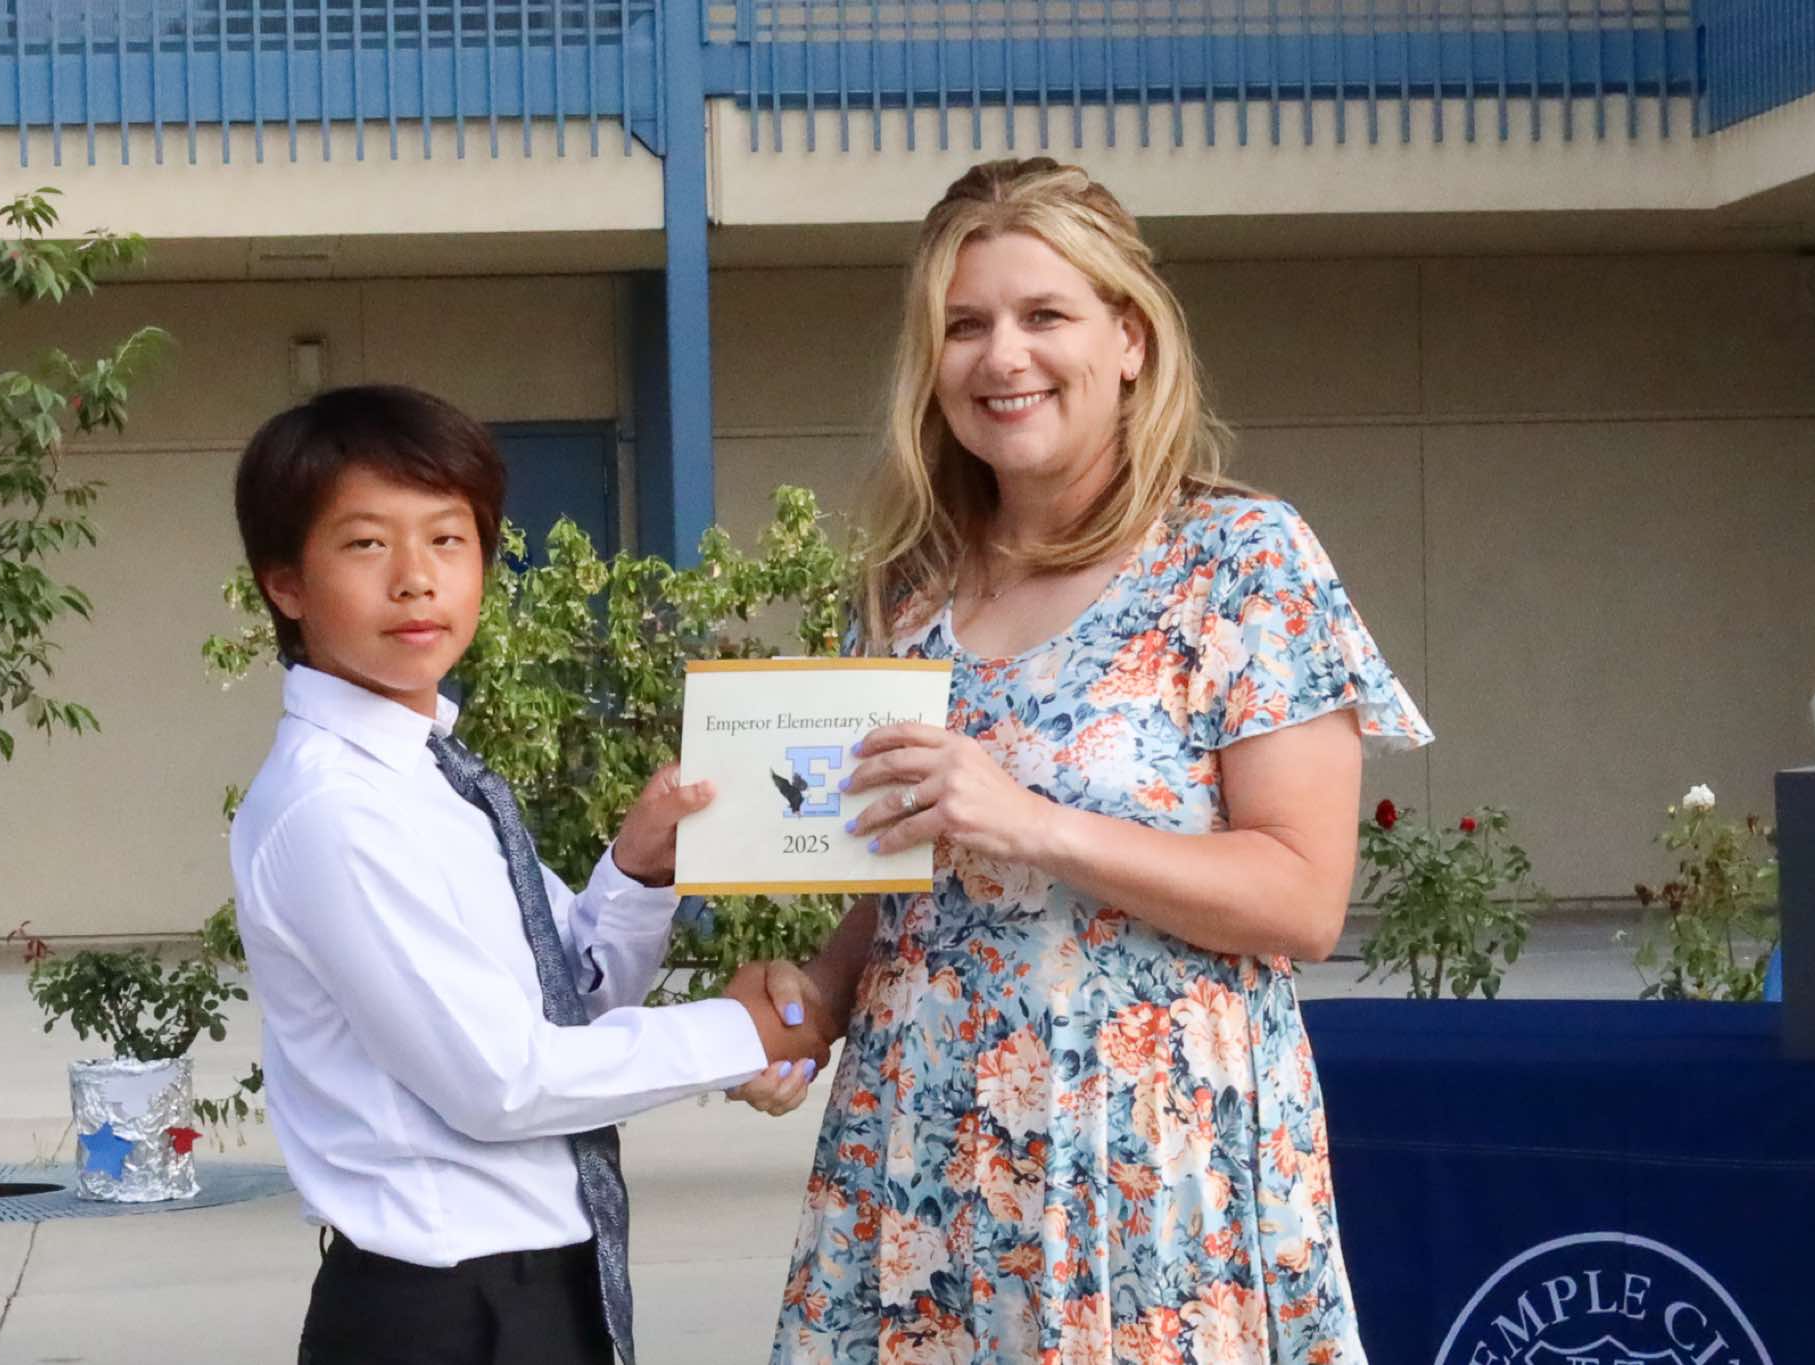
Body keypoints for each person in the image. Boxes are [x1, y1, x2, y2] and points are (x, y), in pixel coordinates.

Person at [740, 159, 1433, 1363]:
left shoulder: (1237, 561)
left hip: (1145, 1173)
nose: (1000, 356)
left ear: (1128, 339)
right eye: (964, 324)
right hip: (916, 1170)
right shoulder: (906, 590)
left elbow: (1302, 898)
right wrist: (807, 1001)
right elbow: (902, 881)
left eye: (1043, 314)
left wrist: (1036, 823)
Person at [226, 385, 831, 1365]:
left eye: (447, 539)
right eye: (367, 544)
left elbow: (565, 1006)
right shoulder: (336, 811)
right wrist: (746, 1031)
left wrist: (638, 872)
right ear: (286, 583)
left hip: (527, 1292)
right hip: (440, 1315)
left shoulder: (428, 776)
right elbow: (502, 1081)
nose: (415, 580)